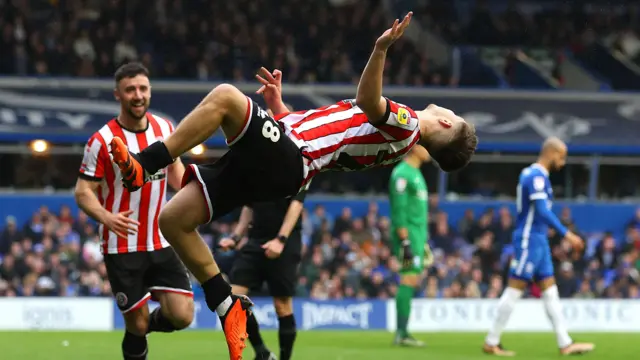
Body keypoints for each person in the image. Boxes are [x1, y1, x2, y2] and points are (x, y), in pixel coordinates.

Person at [108, 12, 476, 360]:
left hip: (290, 160)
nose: (450, 109)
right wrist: (280, 109)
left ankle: (145, 164)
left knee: (225, 97)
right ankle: (226, 304)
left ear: (445, 125)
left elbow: (366, 100)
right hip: (284, 164)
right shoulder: (398, 140)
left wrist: (380, 49)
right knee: (173, 219)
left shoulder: (409, 125)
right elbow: (331, 139)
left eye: (456, 116)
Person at [74, 62, 195, 360]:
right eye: (130, 90)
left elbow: (178, 178)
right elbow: (83, 191)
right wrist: (106, 217)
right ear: (118, 94)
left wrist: (207, 187)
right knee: (136, 323)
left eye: (142, 88)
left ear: (150, 91)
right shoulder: (101, 140)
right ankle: (138, 330)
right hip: (122, 245)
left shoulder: (165, 128)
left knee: (183, 315)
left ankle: (142, 328)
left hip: (161, 239)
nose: (137, 95)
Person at [483, 137, 595, 356]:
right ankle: (491, 341)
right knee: (515, 288)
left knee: (550, 291)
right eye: (562, 157)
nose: (562, 163)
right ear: (552, 154)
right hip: (529, 239)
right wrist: (567, 235)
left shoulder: (539, 177)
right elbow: (542, 211)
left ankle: (565, 343)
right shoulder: (534, 176)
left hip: (539, 241)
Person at [220, 192, 306, 360]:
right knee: (234, 300)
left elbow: (296, 204)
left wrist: (280, 240)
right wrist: (236, 237)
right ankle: (262, 352)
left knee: (282, 305)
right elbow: (249, 204)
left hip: (286, 243)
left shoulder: (298, 168)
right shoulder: (255, 169)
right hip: (255, 240)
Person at [388, 144, 433, 347]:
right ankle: (401, 333)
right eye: (427, 146)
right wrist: (405, 241)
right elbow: (400, 212)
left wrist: (421, 241)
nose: (430, 151)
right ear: (415, 148)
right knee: (408, 279)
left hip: (417, 237)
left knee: (412, 280)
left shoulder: (416, 173)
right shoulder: (402, 174)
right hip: (408, 238)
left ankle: (404, 331)